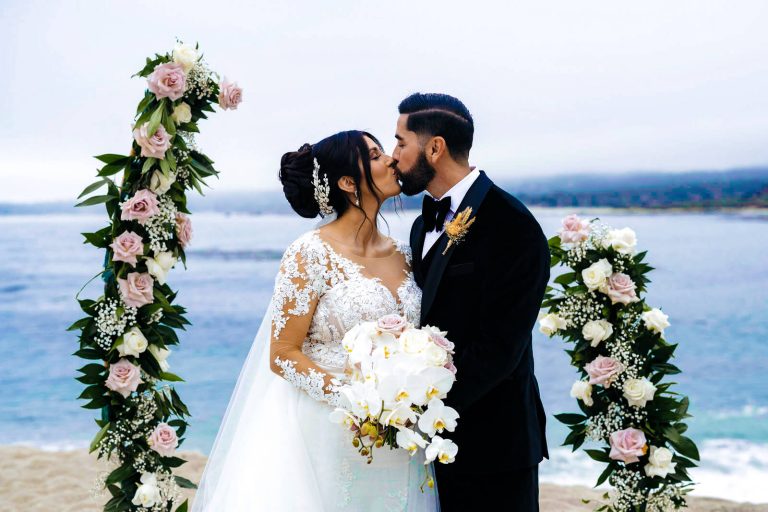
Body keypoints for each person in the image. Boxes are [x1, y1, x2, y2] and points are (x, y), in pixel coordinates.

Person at [191, 130, 440, 511]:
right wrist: (356, 400)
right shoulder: (309, 253)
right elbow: (283, 353)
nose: (391, 159)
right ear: (346, 182)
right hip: (331, 428)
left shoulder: (405, 254)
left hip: (398, 431)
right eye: (374, 156)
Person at [393, 92, 550, 512]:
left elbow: (501, 348)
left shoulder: (512, 225)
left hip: (495, 447)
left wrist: (422, 407)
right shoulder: (419, 226)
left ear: (435, 147)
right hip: (432, 448)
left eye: (400, 142)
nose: (394, 157)